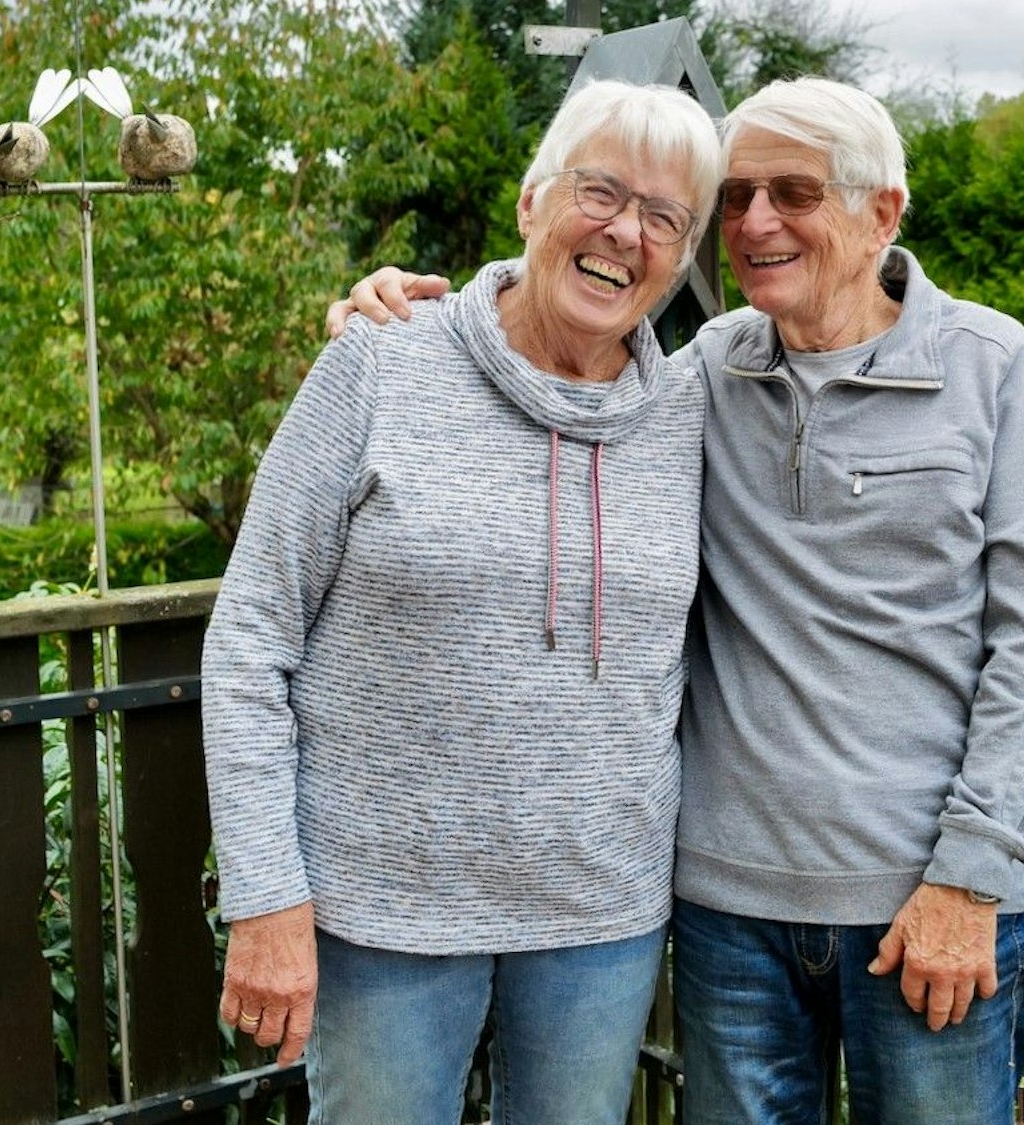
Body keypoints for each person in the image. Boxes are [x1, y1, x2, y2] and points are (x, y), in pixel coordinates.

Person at [328, 76, 1024, 1125]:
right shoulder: (703, 373)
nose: (754, 223)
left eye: (794, 193)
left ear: (883, 213)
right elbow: (564, 332)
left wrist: (970, 882)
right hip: (727, 915)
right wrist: (405, 315)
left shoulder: (990, 367)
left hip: (929, 905)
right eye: (735, 198)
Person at [204, 79, 720, 1125]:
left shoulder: (692, 409)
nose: (626, 232)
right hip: (379, 914)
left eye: (664, 217)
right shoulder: (379, 360)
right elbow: (251, 636)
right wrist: (265, 892)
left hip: (600, 916)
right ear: (531, 203)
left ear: (680, 258)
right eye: (600, 191)